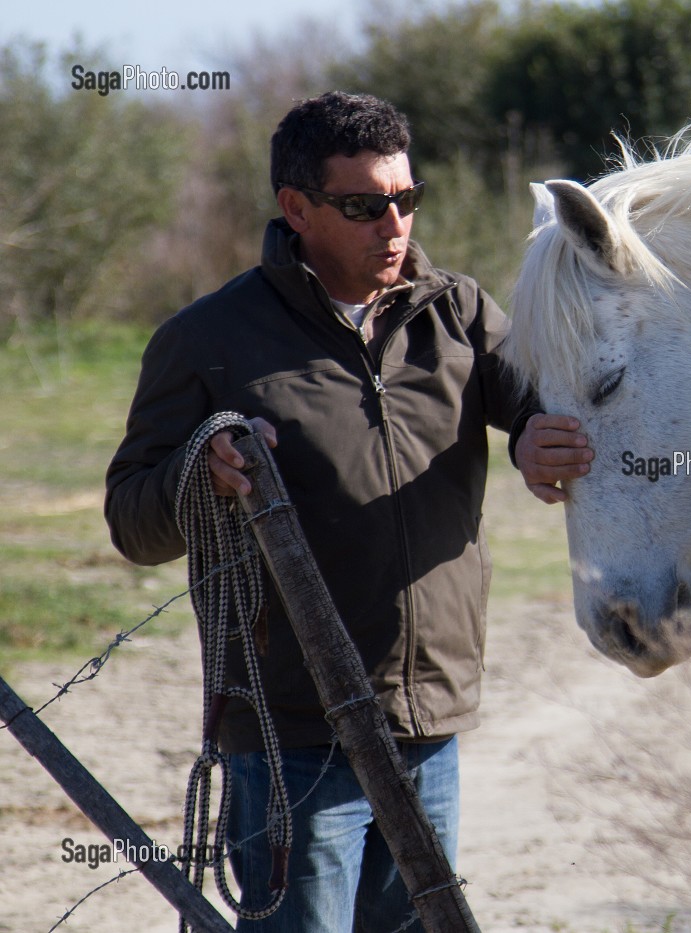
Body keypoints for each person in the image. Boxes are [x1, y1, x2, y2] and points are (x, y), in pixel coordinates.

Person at [104, 90, 590, 931]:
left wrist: (537, 446)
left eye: (407, 199)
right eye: (365, 206)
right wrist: (203, 474)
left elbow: (543, 412)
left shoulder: (460, 313)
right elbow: (129, 519)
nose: (394, 225)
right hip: (291, 738)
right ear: (296, 209)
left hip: (428, 724)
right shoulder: (207, 339)